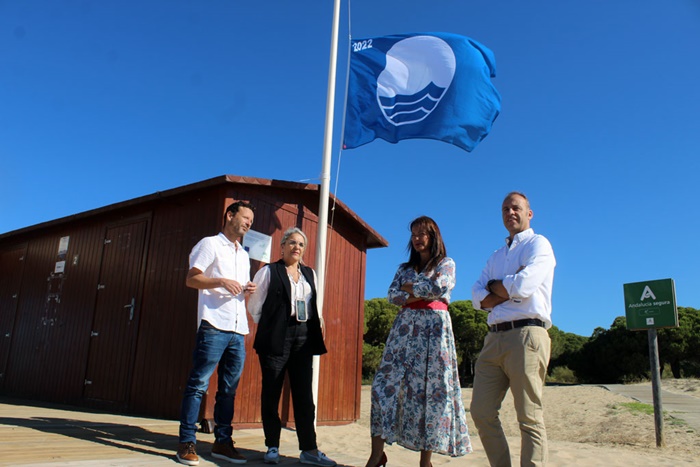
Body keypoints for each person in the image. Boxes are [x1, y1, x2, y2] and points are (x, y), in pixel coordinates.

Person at [365, 216, 471, 467]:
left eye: (423, 233)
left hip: (434, 330)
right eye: (413, 234)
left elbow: (441, 287)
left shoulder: (447, 263)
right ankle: (376, 454)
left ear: (434, 237)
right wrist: (417, 291)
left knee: (431, 394)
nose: (417, 238)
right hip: (403, 331)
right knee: (382, 389)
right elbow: (393, 295)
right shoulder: (404, 269)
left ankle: (426, 461)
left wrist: (411, 290)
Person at [470, 192, 556, 467]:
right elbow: (476, 298)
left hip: (527, 335)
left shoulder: (538, 244)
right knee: (481, 412)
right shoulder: (496, 256)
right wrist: (507, 286)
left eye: (516, 208)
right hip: (493, 338)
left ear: (529, 213)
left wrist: (499, 288)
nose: (510, 213)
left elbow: (525, 285)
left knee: (529, 416)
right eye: (506, 209)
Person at [176, 201, 257, 466]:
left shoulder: (243, 255)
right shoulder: (209, 244)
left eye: (251, 221)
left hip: (238, 329)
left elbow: (237, 291)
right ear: (229, 215)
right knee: (198, 384)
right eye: (245, 218)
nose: (248, 223)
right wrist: (221, 281)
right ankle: (186, 443)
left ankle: (222, 443)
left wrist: (246, 290)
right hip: (213, 324)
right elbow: (191, 279)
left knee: (228, 391)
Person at [247, 227, 336, 467]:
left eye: (301, 245)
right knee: (272, 391)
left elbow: (314, 303)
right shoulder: (268, 271)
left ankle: (309, 449)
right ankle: (272, 446)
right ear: (283, 246)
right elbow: (255, 305)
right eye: (292, 243)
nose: (297, 247)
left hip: (303, 336)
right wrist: (270, 325)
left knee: (304, 395)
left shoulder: (310, 274)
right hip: (276, 335)